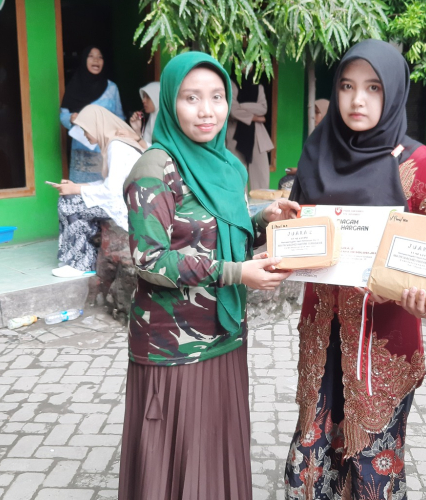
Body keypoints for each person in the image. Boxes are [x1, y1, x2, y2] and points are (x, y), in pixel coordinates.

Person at [117, 51, 299, 500]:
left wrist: (264, 219)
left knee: (215, 448)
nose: (207, 111)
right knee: (178, 456)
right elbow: (149, 260)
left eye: (217, 97)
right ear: (170, 103)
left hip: (225, 334)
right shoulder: (154, 169)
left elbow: (221, 231)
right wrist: (236, 273)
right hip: (173, 347)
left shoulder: (227, 166)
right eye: (191, 98)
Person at [284, 39, 426, 499]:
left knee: (373, 468)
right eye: (346, 86)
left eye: (373, 87)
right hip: (322, 333)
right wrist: (280, 234)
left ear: (394, 92)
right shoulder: (317, 151)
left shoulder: (418, 164)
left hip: (382, 343)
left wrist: (416, 293)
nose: (357, 100)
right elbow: (298, 235)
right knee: (312, 457)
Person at [51, 105, 146, 278]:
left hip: (130, 206)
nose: (84, 134)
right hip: (125, 200)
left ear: (97, 126)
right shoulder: (114, 143)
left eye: (85, 129)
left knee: (70, 203)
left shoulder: (116, 146)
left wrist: (76, 189)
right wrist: (76, 186)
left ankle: (81, 263)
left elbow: (112, 191)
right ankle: (77, 258)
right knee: (69, 196)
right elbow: (109, 183)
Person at [60, 45, 125, 183]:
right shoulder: (74, 86)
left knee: (105, 188)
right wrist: (71, 118)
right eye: (91, 56)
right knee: (80, 189)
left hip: (105, 149)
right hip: (82, 151)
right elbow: (63, 114)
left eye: (100, 57)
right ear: (84, 60)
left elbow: (119, 117)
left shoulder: (112, 88)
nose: (96, 60)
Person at [226, 80, 274, 191]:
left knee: (260, 176)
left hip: (258, 135)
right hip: (235, 135)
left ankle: (260, 202)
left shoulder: (258, 86)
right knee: (237, 175)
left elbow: (263, 109)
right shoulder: (230, 84)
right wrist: (256, 117)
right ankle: (240, 202)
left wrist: (241, 106)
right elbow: (233, 110)